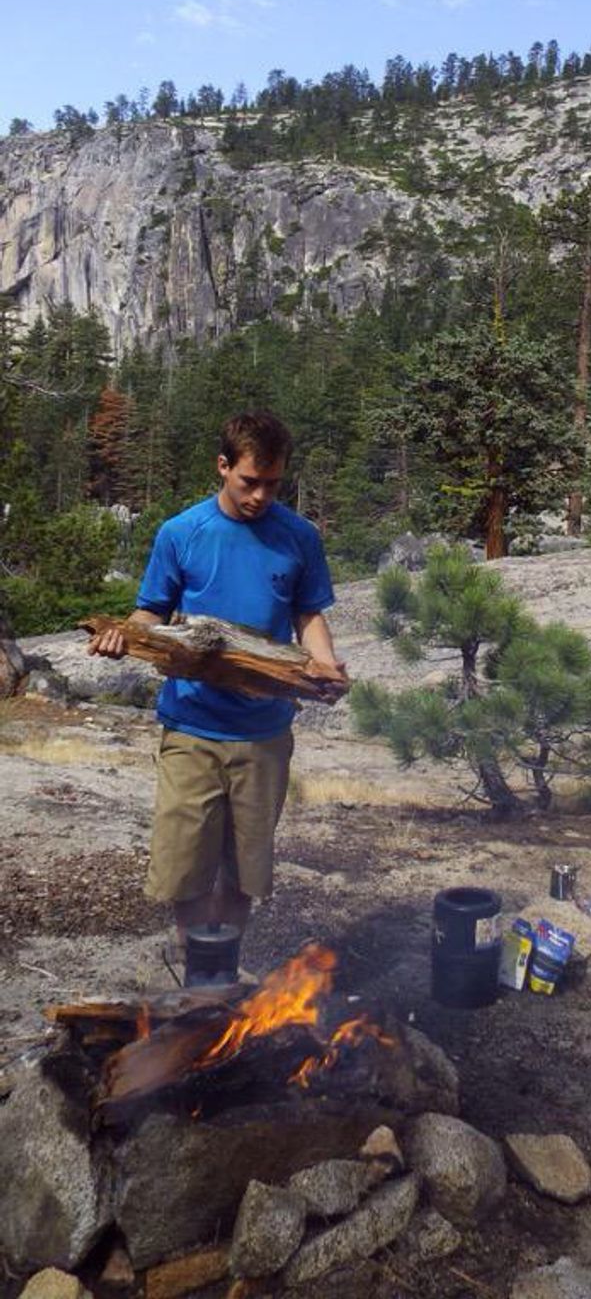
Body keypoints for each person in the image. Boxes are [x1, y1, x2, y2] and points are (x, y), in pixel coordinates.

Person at [89, 410, 343, 975]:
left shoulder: (299, 537)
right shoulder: (182, 532)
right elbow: (152, 611)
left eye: (273, 484)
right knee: (185, 861)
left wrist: (323, 664)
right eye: (250, 481)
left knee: (244, 867)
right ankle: (192, 958)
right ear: (223, 466)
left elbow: (308, 615)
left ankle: (222, 967)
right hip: (191, 724)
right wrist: (124, 636)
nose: (261, 496)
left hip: (264, 730)